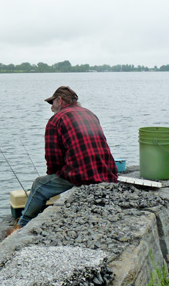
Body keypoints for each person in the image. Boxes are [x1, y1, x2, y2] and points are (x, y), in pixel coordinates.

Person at [8, 86, 118, 235]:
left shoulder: (56, 120)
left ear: (60, 100)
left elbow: (53, 157)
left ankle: (22, 225)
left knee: (40, 185)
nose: (51, 108)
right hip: (107, 171)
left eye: (52, 103)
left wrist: (52, 176)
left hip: (82, 174)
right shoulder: (90, 113)